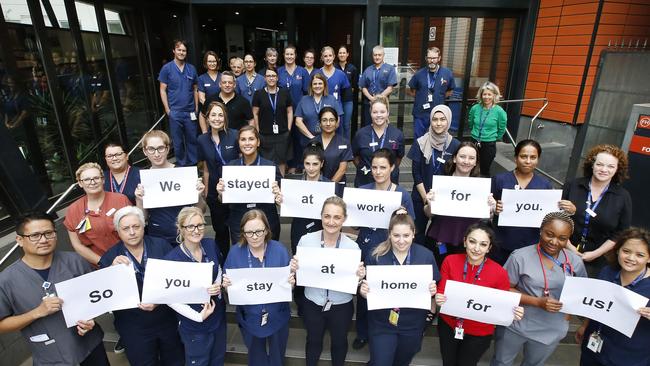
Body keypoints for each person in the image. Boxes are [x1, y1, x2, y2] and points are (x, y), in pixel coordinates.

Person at [0, 212, 109, 365]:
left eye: (49, 233)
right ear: (20, 240)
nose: (44, 240)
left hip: (90, 346)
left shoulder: (75, 262)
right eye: (35, 235)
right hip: (49, 356)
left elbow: (98, 297)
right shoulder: (6, 280)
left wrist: (91, 317)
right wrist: (37, 312)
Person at [491, 212, 587, 366]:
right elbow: (503, 289)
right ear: (541, 230)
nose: (554, 242)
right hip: (516, 322)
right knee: (501, 362)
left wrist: (567, 316)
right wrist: (537, 302)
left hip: (551, 327)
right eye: (549, 234)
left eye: (562, 238)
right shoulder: (520, 257)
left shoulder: (575, 262)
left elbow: (582, 293)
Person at [98, 206, 184, 366]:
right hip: (133, 326)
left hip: (166, 319)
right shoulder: (109, 257)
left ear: (144, 225)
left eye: (136, 226)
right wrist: (111, 271)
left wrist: (159, 300)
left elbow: (177, 280)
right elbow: (106, 296)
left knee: (175, 361)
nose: (132, 232)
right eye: (126, 228)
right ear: (117, 231)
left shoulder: (162, 245)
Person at [290, 196, 365, 366]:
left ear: (344, 219)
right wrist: (293, 268)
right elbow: (297, 273)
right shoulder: (306, 241)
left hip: (341, 305)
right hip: (312, 302)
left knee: (339, 342)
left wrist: (359, 277)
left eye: (337, 217)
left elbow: (355, 281)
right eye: (327, 216)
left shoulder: (352, 248)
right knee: (313, 341)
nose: (331, 222)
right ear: (321, 216)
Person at [435, 223, 524, 366]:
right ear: (464, 241)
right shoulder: (450, 261)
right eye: (472, 241)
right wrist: (439, 298)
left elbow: (502, 304)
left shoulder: (499, 272)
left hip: (479, 333)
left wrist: (514, 311)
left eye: (483, 244)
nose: (476, 249)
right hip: (449, 325)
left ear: (489, 248)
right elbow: (442, 291)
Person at [353, 148, 415, 350]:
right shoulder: (364, 190)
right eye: (374, 167)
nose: (378, 172)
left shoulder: (401, 194)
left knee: (384, 294)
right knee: (364, 291)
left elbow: (411, 226)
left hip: (390, 251)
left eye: (383, 167)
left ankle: (381, 333)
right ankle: (362, 332)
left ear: (392, 168)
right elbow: (353, 225)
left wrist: (402, 216)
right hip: (365, 246)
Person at [359, 210, 439, 365]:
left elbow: (433, 287)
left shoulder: (426, 256)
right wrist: (363, 292)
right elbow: (368, 290)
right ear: (389, 234)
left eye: (406, 235)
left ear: (414, 234)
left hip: (412, 324)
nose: (401, 241)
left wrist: (432, 292)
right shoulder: (376, 256)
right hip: (382, 322)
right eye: (396, 235)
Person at [223, 209, 294, 366]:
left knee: (277, 358)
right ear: (243, 232)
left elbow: (287, 284)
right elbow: (230, 288)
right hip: (250, 318)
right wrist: (227, 287)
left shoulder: (280, 250)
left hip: (277, 316)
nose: (254, 237)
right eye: (249, 232)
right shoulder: (235, 253)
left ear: (267, 230)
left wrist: (291, 282)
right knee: (256, 359)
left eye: (259, 231)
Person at [576, 227, 650, 366]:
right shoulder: (607, 272)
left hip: (629, 357)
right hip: (594, 348)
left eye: (640, 255)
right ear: (617, 250)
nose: (631, 258)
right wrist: (585, 325)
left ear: (649, 258)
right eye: (626, 251)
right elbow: (595, 303)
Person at [165, 207, 227, 366]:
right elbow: (169, 298)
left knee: (218, 359)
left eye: (200, 225)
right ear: (180, 228)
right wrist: (198, 316)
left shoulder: (210, 244)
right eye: (190, 226)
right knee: (198, 362)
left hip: (218, 316)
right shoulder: (172, 260)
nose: (196, 230)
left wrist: (217, 284)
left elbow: (218, 268)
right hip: (194, 324)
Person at [561, 144, 633, 277]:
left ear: (617, 169)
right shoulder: (573, 185)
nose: (604, 169)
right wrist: (568, 246)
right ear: (592, 164)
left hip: (600, 260)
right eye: (600, 164)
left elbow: (620, 233)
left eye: (611, 166)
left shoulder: (622, 197)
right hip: (564, 250)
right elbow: (557, 218)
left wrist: (596, 253)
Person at [425, 142, 495, 264]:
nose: (466, 161)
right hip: (441, 238)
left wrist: (491, 209)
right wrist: (430, 204)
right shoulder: (442, 183)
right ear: (454, 158)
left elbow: (487, 218)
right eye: (462, 156)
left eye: (471, 158)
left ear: (475, 163)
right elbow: (429, 214)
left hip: (470, 242)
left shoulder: (481, 187)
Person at [135, 130, 206, 246]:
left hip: (186, 235)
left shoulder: (183, 174)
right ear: (145, 151)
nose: (157, 154)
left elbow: (201, 210)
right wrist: (139, 200)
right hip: (158, 237)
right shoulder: (142, 179)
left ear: (167, 149)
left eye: (161, 148)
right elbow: (144, 218)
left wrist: (198, 196)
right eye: (151, 149)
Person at [491, 139, 554, 265]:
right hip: (501, 243)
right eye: (523, 156)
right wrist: (495, 209)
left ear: (538, 159)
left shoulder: (545, 185)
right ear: (516, 157)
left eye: (533, 157)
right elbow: (488, 207)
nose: (528, 161)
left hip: (530, 246)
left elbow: (548, 216)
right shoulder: (500, 180)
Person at [217, 125, 283, 244]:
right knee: (242, 259)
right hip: (239, 223)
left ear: (258, 142)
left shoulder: (270, 167)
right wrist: (221, 193)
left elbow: (282, 199)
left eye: (251, 139)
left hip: (267, 222)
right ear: (238, 143)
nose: (247, 143)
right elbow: (223, 199)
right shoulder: (230, 168)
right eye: (243, 139)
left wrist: (278, 194)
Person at [407, 104, 460, 246]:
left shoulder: (455, 145)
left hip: (445, 199)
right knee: (417, 234)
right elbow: (416, 173)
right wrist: (426, 199)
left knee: (439, 237)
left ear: (448, 121)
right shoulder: (420, 143)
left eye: (442, 119)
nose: (438, 123)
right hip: (420, 197)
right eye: (435, 119)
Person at [64, 162, 131, 266]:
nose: (92, 182)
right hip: (98, 265)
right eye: (86, 179)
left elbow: (135, 230)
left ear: (103, 180)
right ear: (80, 183)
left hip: (128, 259)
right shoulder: (73, 210)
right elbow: (77, 245)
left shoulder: (121, 200)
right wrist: (104, 262)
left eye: (96, 178)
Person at [197, 101, 240, 256]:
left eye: (220, 115)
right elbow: (206, 168)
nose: (217, 118)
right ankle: (222, 263)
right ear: (207, 118)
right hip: (215, 193)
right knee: (220, 231)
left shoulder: (235, 135)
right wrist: (207, 193)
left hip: (236, 190)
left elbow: (243, 162)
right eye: (213, 115)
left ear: (225, 117)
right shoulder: (202, 140)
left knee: (237, 230)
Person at [158, 39, 199, 166]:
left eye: (184, 50)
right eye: (179, 50)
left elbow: (195, 89)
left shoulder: (191, 69)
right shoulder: (167, 68)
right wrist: (167, 109)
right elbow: (162, 90)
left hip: (190, 112)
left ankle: (193, 166)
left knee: (192, 140)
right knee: (178, 142)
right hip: (175, 112)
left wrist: (196, 108)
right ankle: (181, 165)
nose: (181, 52)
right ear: (174, 51)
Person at [352, 96, 404, 187]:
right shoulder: (361, 134)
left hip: (389, 182)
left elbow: (398, 158)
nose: (379, 115)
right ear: (370, 113)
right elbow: (355, 157)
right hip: (365, 181)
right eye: (375, 112)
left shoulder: (397, 134)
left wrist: (386, 169)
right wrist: (368, 169)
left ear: (387, 113)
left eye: (382, 112)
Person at [408, 47, 456, 139]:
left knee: (437, 139)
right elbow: (412, 90)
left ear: (439, 58)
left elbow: (450, 91)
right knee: (419, 139)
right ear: (426, 58)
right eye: (429, 58)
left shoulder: (447, 73)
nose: (432, 61)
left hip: (438, 115)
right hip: (421, 114)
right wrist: (422, 98)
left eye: (434, 58)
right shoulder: (419, 74)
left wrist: (438, 98)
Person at [295, 74, 343, 165]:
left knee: (328, 166)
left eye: (320, 83)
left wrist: (327, 135)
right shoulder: (304, 100)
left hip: (328, 141)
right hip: (308, 141)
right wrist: (312, 138)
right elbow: (298, 121)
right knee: (311, 167)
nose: (317, 86)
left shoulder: (332, 99)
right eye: (315, 84)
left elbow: (338, 120)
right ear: (311, 86)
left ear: (324, 85)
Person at [253, 66, 293, 175]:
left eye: (273, 76)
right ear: (265, 78)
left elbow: (289, 111)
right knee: (266, 162)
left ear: (277, 78)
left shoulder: (284, 93)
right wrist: (257, 130)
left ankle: (281, 184)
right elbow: (255, 113)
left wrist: (288, 129)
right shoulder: (259, 94)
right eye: (269, 76)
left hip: (282, 134)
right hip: (264, 134)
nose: (271, 78)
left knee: (281, 160)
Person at [279, 45, 311, 174]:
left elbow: (307, 92)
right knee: (285, 138)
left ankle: (297, 164)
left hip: (299, 111)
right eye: (287, 54)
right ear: (283, 55)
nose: (289, 56)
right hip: (282, 112)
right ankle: (285, 163)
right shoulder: (279, 71)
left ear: (295, 55)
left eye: (292, 54)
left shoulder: (302, 71)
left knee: (299, 139)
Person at [310, 107, 353, 195]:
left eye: (332, 120)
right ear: (320, 123)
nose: (328, 123)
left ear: (337, 123)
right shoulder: (313, 142)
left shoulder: (344, 143)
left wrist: (328, 187)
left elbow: (342, 169)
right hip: (315, 187)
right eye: (324, 120)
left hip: (336, 187)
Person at [467, 81, 507, 176]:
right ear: (481, 95)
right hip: (474, 141)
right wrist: (475, 133)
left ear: (494, 95)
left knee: (484, 170)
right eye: (484, 94)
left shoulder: (499, 111)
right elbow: (470, 122)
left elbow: (502, 128)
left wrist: (492, 137)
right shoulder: (475, 108)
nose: (486, 97)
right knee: (469, 167)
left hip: (489, 144)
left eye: (489, 94)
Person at [359, 45, 397, 127]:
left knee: (382, 126)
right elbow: (363, 87)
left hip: (383, 104)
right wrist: (372, 99)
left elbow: (390, 88)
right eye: (375, 55)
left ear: (383, 55)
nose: (377, 57)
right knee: (368, 126)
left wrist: (378, 98)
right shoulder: (368, 69)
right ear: (372, 56)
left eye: (379, 55)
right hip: (369, 104)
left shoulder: (390, 69)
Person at [315, 46, 350, 113]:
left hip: (336, 110)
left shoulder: (341, 74)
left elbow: (344, 93)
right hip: (320, 110)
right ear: (322, 58)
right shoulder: (317, 73)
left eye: (330, 55)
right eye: (325, 56)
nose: (328, 58)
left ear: (334, 56)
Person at [335, 45, 359, 140]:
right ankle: (337, 144)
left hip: (348, 101)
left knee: (346, 125)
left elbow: (354, 86)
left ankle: (346, 146)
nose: (342, 54)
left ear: (347, 54)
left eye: (344, 53)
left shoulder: (352, 69)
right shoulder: (334, 67)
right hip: (336, 101)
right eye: (340, 53)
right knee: (337, 124)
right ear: (337, 55)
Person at [198, 51, 222, 133]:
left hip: (222, 112)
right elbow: (201, 98)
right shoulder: (201, 78)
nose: (212, 63)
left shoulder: (222, 77)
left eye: (214, 61)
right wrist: (212, 110)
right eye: (210, 61)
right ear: (206, 63)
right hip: (208, 113)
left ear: (217, 62)